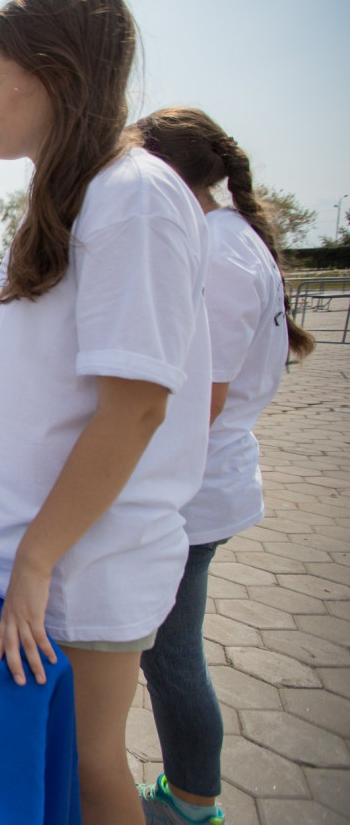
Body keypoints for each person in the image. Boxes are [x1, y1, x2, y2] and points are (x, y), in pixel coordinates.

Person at [0, 0, 212, 825]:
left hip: (79, 570)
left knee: (89, 771)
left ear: (55, 75)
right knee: (48, 767)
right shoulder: (73, 191)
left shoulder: (134, 199)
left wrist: (35, 556)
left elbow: (134, 409)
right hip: (30, 551)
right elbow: (41, 385)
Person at [129, 107, 316, 825]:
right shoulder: (230, 238)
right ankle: (191, 796)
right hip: (207, 484)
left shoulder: (221, 251)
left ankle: (191, 803)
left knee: (171, 658)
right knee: (171, 653)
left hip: (195, 491)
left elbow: (194, 404)